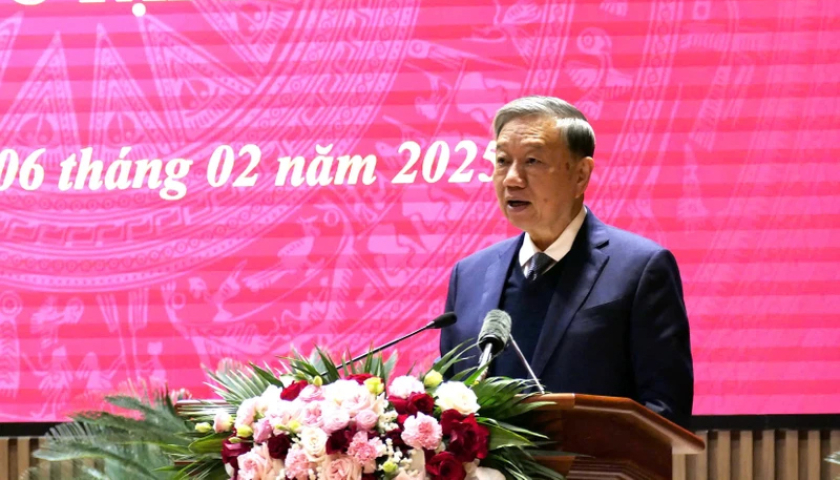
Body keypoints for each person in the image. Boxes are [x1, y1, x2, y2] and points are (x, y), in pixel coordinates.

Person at [439, 95, 694, 429]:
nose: (512, 179)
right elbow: (449, 399)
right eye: (502, 160)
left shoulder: (640, 269)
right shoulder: (469, 275)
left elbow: (665, 411)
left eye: (532, 161)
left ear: (580, 175)